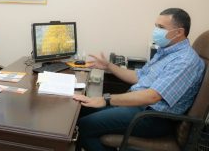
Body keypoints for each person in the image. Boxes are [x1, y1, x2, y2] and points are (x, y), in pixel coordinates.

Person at [73, 8, 205, 151]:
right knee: (81, 110)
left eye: (161, 27)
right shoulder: (165, 51)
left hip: (152, 118)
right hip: (137, 106)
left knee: (84, 126)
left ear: (179, 32)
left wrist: (105, 99)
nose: (156, 31)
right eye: (156, 26)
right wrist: (109, 66)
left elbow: (152, 96)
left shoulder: (185, 61)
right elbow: (139, 76)